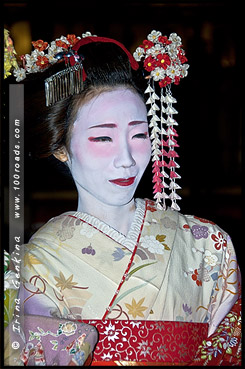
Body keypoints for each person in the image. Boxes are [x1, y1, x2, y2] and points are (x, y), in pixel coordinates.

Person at [4, 30, 241, 366]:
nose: (127, 159)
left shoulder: (209, 246)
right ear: (61, 148)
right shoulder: (31, 265)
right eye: (103, 138)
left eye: (140, 133)